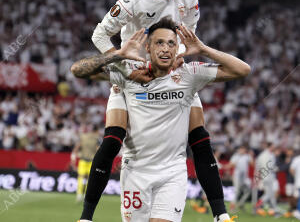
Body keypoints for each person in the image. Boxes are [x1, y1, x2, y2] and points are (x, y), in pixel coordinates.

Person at [78, 0, 228, 222]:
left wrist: (178, 58)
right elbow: (100, 35)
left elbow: (189, 35)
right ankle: (86, 217)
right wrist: (124, 68)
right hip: (133, 75)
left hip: (171, 73)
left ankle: (221, 215)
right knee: (112, 140)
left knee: (200, 138)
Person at [71, 17, 251, 221]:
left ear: (177, 50)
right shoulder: (131, 72)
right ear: (147, 48)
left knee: (200, 139)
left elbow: (243, 69)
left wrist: (203, 49)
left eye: (171, 43)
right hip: (136, 172)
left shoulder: (189, 74)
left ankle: (219, 213)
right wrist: (119, 54)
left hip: (172, 173)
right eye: (159, 43)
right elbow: (78, 70)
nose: (165, 49)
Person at [71, 125, 100, 202]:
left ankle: (79, 195)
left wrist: (73, 159)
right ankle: (86, 195)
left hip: (83, 161)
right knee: (90, 179)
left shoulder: (83, 137)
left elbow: (76, 148)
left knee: (81, 177)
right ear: (96, 131)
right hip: (92, 161)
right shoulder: (96, 139)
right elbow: (98, 151)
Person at [225, 145, 254, 211]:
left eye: (243, 149)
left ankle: (241, 203)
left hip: (244, 177)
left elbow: (252, 164)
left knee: (248, 191)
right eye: (241, 149)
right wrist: (226, 167)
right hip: (237, 176)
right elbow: (231, 164)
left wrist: (251, 155)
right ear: (239, 150)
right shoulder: (235, 156)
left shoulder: (247, 156)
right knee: (237, 191)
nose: (242, 151)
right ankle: (232, 207)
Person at [290, 152, 300, 220]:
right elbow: (291, 170)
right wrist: (296, 177)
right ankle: (297, 211)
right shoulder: (297, 159)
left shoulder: (296, 159)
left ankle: (297, 211)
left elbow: (291, 170)